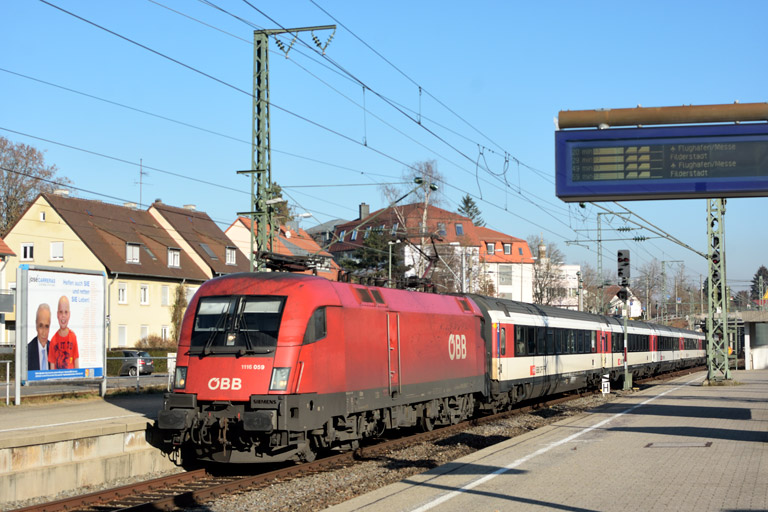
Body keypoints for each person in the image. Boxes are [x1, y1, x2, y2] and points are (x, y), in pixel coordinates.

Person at [49, 295, 79, 369]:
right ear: (57, 315)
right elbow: (52, 369)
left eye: (66, 312)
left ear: (69, 314)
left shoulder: (73, 337)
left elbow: (76, 364)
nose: (63, 315)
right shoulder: (53, 341)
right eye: (61, 312)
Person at [27, 303, 51, 371]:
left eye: (46, 326)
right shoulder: (27, 352)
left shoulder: (56, 351)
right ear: (36, 325)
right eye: (41, 326)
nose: (44, 332)